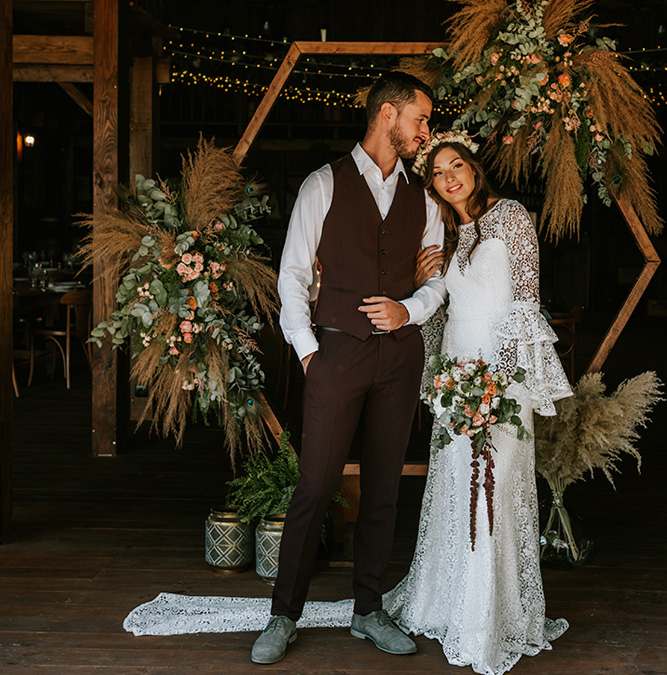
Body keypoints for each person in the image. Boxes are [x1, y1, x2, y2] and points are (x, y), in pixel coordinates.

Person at [251, 71, 446, 665]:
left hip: (400, 359)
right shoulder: (323, 184)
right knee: (315, 484)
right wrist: (309, 350)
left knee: (384, 485)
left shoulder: (425, 195)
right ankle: (284, 614)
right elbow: (290, 275)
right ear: (389, 115)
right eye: (421, 118)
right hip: (335, 351)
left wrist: (407, 309)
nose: (426, 131)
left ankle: (368, 608)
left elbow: (437, 278)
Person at [381, 134, 573, 675]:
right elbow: (442, 310)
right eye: (438, 172)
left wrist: (500, 383)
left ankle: (492, 620)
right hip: (457, 374)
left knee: (496, 492)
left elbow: (525, 299)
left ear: (473, 168)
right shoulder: (443, 234)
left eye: (456, 165)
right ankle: (450, 606)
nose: (449, 177)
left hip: (501, 378)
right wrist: (424, 283)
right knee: (457, 489)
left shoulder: (512, 216)